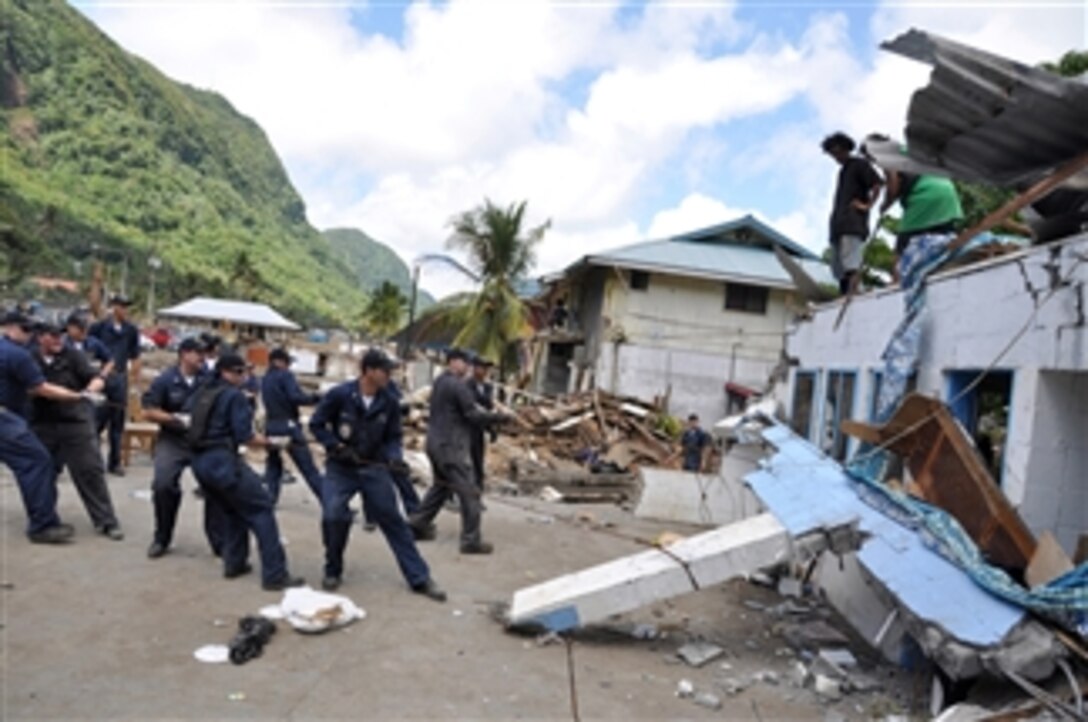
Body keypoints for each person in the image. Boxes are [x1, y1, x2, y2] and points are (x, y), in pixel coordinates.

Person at [309, 349, 446, 599]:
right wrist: (336, 446)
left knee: (394, 522)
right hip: (341, 469)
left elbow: (393, 436)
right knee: (333, 515)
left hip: (373, 468)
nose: (389, 376)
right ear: (369, 370)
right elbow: (316, 424)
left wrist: (394, 458)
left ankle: (420, 578)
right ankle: (333, 569)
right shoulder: (340, 395)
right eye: (384, 370)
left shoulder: (389, 400)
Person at [189, 353, 303, 590]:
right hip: (222, 461)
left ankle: (235, 562)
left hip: (200, 463)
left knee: (233, 510)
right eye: (240, 372)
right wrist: (274, 443)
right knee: (261, 509)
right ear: (226, 372)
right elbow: (246, 436)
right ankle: (275, 575)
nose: (245, 376)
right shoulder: (234, 396)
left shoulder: (202, 392)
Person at [1, 311, 96, 543]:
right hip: (4, 419)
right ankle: (42, 525)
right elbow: (41, 388)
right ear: (8, 327)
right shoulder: (17, 355)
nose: (29, 334)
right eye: (25, 330)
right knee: (37, 461)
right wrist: (79, 396)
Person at [408, 348, 510, 555]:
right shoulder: (457, 385)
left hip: (435, 443)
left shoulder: (440, 382)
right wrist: (500, 418)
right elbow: (472, 414)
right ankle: (471, 540)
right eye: (466, 363)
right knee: (469, 491)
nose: (469, 368)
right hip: (452, 446)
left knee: (441, 487)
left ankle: (416, 525)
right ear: (453, 362)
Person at [29, 322, 124, 540]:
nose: (57, 340)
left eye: (59, 336)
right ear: (39, 338)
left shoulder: (73, 356)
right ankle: (44, 521)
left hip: (75, 421)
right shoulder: (30, 359)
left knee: (90, 470)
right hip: (42, 424)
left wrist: (93, 388)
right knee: (43, 474)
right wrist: (75, 395)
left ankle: (106, 521)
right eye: (52, 336)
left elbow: (96, 377)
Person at [141, 337, 224, 559]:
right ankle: (162, 537)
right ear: (184, 354)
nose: (202, 357)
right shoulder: (165, 380)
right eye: (198, 353)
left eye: (205, 353)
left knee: (216, 487)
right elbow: (148, 410)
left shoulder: (209, 380)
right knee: (163, 485)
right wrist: (173, 418)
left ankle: (219, 541)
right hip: (173, 439)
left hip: (203, 441)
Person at [862, 135, 964, 276]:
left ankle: (898, 286)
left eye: (870, 158)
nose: (873, 162)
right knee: (946, 241)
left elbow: (893, 186)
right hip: (947, 193)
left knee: (901, 252)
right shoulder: (907, 150)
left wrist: (885, 205)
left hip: (925, 197)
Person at [822, 132, 884, 294]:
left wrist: (867, 206)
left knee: (851, 263)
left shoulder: (859, 164)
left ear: (846, 149)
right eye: (833, 153)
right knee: (839, 266)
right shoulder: (843, 171)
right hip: (838, 224)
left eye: (838, 151)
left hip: (852, 222)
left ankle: (853, 294)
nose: (836, 156)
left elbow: (877, 184)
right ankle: (845, 295)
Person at [261, 347, 324, 505]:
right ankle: (331, 503)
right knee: (308, 468)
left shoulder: (265, 378)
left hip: (271, 425)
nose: (288, 366)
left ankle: (270, 499)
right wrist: (315, 398)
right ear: (280, 361)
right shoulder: (286, 376)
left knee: (274, 464)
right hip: (288, 425)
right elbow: (295, 397)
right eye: (287, 362)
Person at [89, 295, 142, 475]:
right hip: (101, 377)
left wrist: (134, 381)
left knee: (117, 423)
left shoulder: (131, 330)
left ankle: (115, 462)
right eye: (121, 306)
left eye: (127, 307)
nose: (125, 311)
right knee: (96, 421)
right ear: (113, 307)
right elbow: (90, 350)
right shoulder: (99, 328)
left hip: (119, 377)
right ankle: (93, 461)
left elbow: (135, 356)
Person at [466, 354, 497, 494]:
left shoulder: (487, 387)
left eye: (486, 368)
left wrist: (492, 428)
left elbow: (489, 407)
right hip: (466, 429)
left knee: (478, 462)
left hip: (479, 429)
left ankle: (477, 492)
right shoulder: (466, 385)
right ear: (474, 368)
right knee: (465, 463)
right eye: (482, 368)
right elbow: (471, 405)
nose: (484, 371)